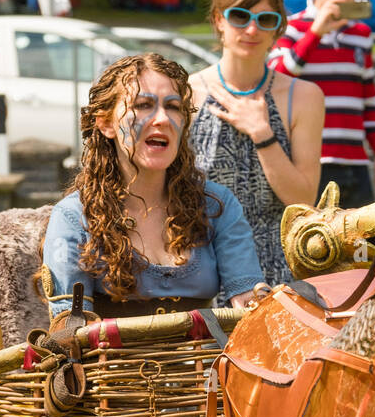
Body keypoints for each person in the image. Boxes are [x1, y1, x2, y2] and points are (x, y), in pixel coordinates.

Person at [42, 53, 265, 320]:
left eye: (173, 107)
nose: (161, 119)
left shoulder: (217, 206)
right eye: (143, 105)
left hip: (206, 361)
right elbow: (69, 328)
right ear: (105, 123)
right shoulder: (73, 218)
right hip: (108, 362)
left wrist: (261, 303)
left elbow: (250, 305)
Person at [189, 0, 324, 286]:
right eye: (240, 16)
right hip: (201, 268)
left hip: (276, 272)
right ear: (219, 19)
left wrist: (263, 133)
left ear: (278, 28)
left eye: (265, 19)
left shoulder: (303, 96)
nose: (252, 30)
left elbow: (303, 200)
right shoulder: (186, 92)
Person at [268, 0, 375, 208]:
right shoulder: (292, 28)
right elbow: (277, 76)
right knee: (313, 246)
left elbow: (368, 100)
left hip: (355, 163)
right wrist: (315, 33)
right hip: (311, 163)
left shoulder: (361, 34)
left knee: (363, 247)